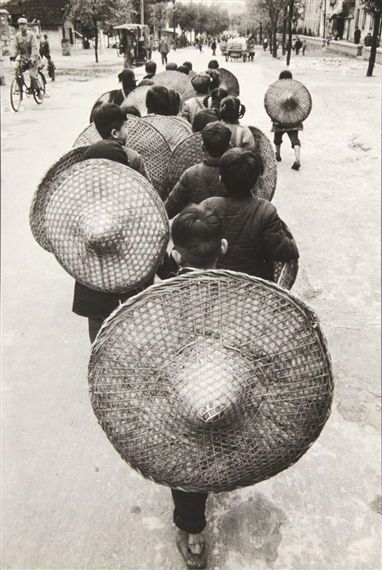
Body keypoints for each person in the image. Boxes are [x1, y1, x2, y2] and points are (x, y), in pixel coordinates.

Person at [160, 204, 228, 568]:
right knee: (214, 443)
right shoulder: (239, 295)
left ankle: (194, 534)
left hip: (180, 390)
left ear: (174, 254)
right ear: (224, 248)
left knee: (184, 454)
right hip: (224, 387)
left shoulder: (157, 300)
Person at [73, 103, 150, 342]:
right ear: (116, 132)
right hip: (126, 242)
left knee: (97, 309)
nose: (128, 130)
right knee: (132, 304)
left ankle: (99, 354)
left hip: (94, 242)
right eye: (126, 126)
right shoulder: (131, 158)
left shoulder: (86, 157)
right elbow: (147, 199)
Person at [201, 148, 299, 280]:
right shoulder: (265, 210)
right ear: (257, 182)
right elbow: (281, 252)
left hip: (215, 284)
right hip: (256, 286)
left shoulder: (207, 206)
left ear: (220, 179)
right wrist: (291, 244)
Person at [164, 122, 231, 219]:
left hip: (198, 229)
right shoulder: (234, 172)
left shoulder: (191, 173)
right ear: (228, 147)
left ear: (203, 147)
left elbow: (169, 209)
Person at [271, 69, 303, 170]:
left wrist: (274, 119)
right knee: (295, 140)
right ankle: (297, 159)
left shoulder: (277, 91)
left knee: (277, 138)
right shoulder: (295, 90)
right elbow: (301, 106)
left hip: (280, 120)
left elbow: (272, 106)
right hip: (293, 120)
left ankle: (278, 154)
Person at [10, 17, 41, 94]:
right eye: (20, 24)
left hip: (33, 59)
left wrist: (33, 58)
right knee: (17, 70)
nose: (22, 26)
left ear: (26, 25)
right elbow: (15, 47)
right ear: (18, 26)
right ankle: (20, 87)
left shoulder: (31, 35)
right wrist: (13, 56)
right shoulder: (17, 36)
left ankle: (38, 91)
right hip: (23, 58)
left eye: (23, 24)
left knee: (32, 76)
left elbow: (35, 47)